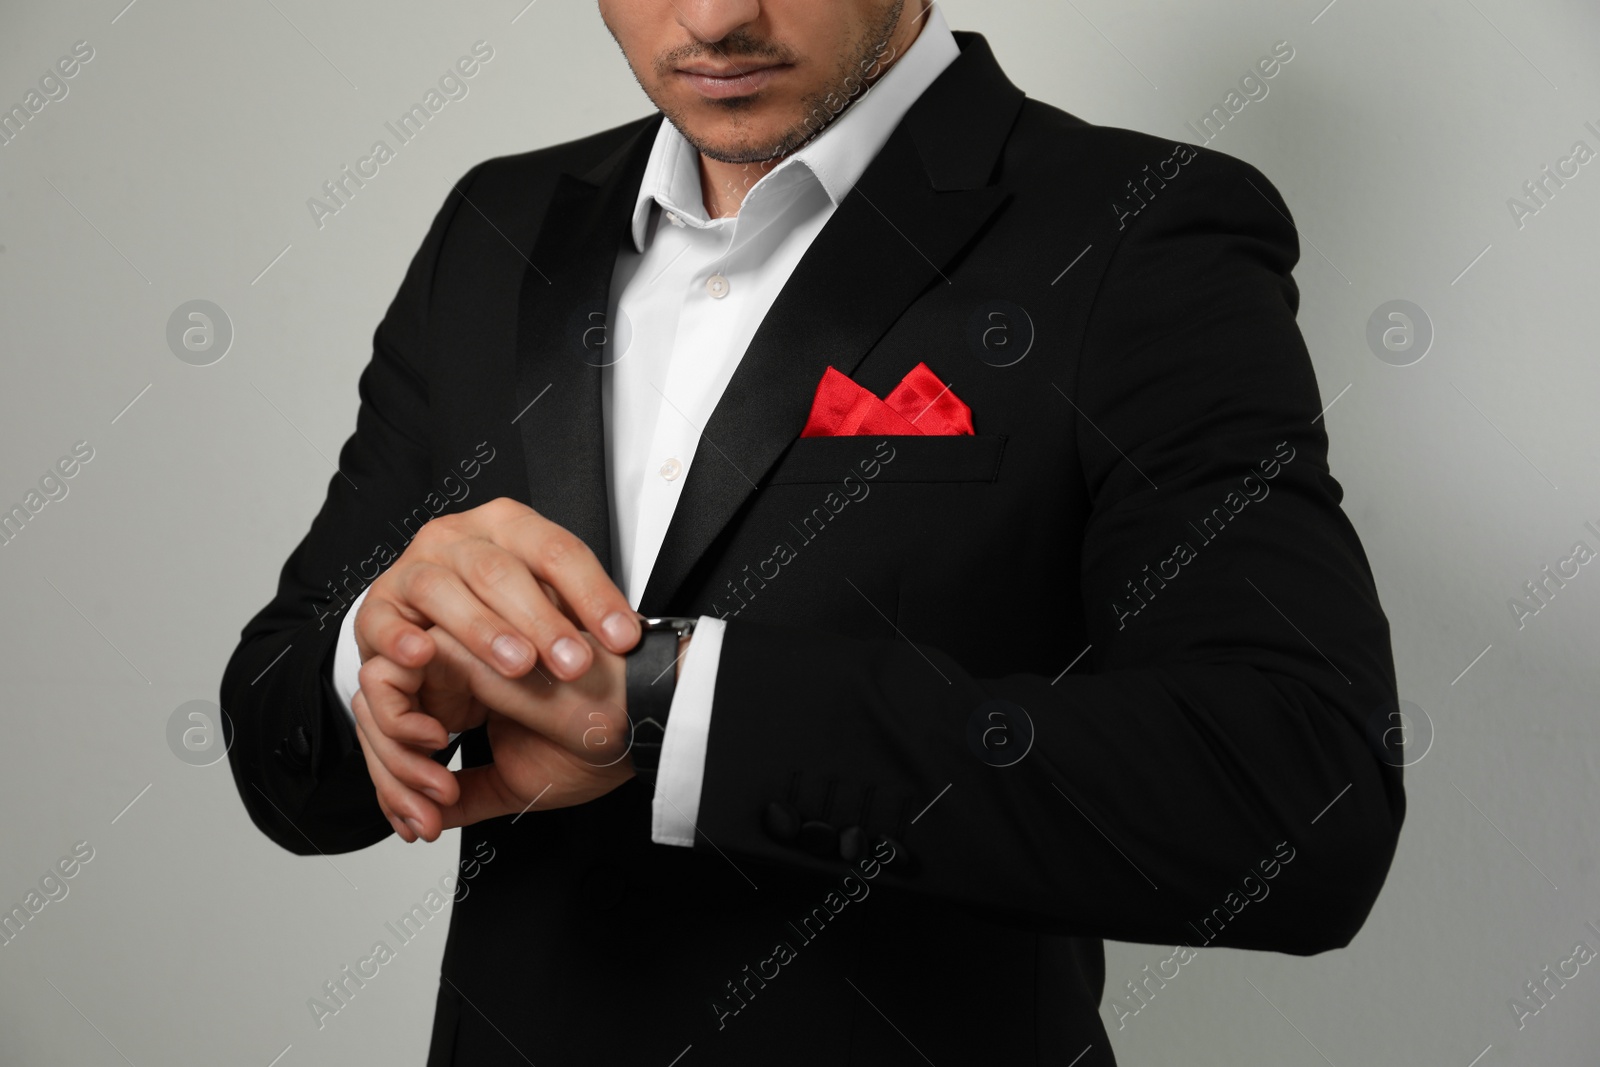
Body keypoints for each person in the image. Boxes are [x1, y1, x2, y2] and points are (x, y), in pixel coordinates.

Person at [222, 1, 1406, 1063]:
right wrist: (372, 659)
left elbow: (1301, 798)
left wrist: (667, 705)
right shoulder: (498, 223)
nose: (714, 15)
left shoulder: (1136, 232)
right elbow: (284, 744)